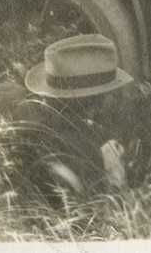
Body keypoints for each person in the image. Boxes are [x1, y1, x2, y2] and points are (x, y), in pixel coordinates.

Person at [9, 34, 140, 206]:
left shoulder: (41, 124)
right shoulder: (90, 147)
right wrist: (115, 174)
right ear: (97, 99)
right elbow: (109, 206)